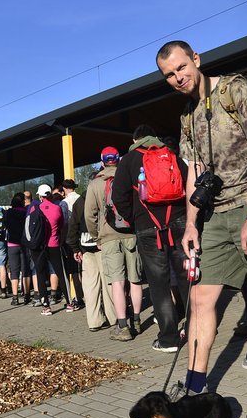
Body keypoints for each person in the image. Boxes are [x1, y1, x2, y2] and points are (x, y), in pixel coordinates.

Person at [158, 40, 247, 418]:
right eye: (169, 75)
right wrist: (190, 224)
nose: (178, 78)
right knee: (201, 300)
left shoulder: (235, 89)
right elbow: (193, 173)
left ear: (196, 60)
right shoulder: (187, 116)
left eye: (182, 68)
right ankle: (194, 385)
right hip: (215, 216)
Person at [112, 124, 189, 353]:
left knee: (159, 284)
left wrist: (134, 218)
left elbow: (119, 197)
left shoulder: (128, 160)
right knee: (187, 279)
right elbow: (188, 184)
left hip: (147, 229)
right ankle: (198, 330)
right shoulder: (172, 154)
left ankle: (168, 339)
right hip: (179, 224)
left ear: (135, 139)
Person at [85, 146, 144, 341]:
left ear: (102, 162)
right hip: (131, 234)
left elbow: (89, 215)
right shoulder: (128, 177)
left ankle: (122, 326)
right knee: (135, 279)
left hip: (109, 237)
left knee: (117, 282)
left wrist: (97, 237)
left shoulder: (95, 184)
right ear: (118, 160)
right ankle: (136, 320)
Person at [68, 170, 115, 331]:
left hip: (85, 248)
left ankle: (94, 321)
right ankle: (113, 317)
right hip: (104, 245)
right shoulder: (104, 196)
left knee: (90, 286)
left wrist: (75, 248)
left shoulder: (79, 202)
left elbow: (72, 226)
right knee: (108, 283)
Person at [30, 184, 68, 315]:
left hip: (39, 247)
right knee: (60, 273)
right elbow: (62, 226)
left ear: (40, 195)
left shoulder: (35, 208)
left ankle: (46, 306)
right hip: (54, 244)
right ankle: (69, 303)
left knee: (40, 274)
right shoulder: (57, 208)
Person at [60, 179, 84, 312]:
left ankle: (79, 297)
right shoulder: (82, 198)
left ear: (64, 189)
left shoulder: (64, 203)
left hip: (72, 239)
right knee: (86, 269)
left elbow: (64, 223)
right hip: (85, 237)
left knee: (74, 270)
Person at [4, 193, 32, 305]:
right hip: (24, 244)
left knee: (14, 271)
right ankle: (26, 296)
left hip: (12, 244)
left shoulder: (8, 213)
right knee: (26, 270)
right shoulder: (26, 212)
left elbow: (5, 226)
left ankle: (15, 297)